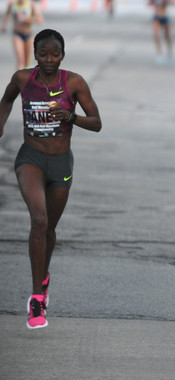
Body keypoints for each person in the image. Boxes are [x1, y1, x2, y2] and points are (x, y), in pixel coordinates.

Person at [0, 29, 102, 329]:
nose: (48, 60)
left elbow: (96, 123)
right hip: (30, 158)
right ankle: (36, 299)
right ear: (35, 54)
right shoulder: (22, 79)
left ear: (62, 55)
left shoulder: (74, 82)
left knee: (50, 230)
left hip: (61, 163)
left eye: (54, 54)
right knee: (39, 221)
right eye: (43, 54)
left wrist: (69, 116)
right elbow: (5, 100)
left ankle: (43, 277)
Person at [1, 0, 43, 70]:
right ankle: (19, 79)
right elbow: (7, 14)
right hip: (17, 34)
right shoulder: (12, 4)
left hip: (29, 35)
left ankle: (27, 78)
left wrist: (26, 19)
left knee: (27, 62)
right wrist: (3, 25)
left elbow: (40, 20)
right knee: (20, 59)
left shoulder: (31, 4)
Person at [150, 0, 173, 65]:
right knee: (156, 36)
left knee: (167, 36)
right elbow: (150, 4)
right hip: (157, 17)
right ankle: (159, 54)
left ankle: (169, 54)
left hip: (165, 16)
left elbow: (172, 3)